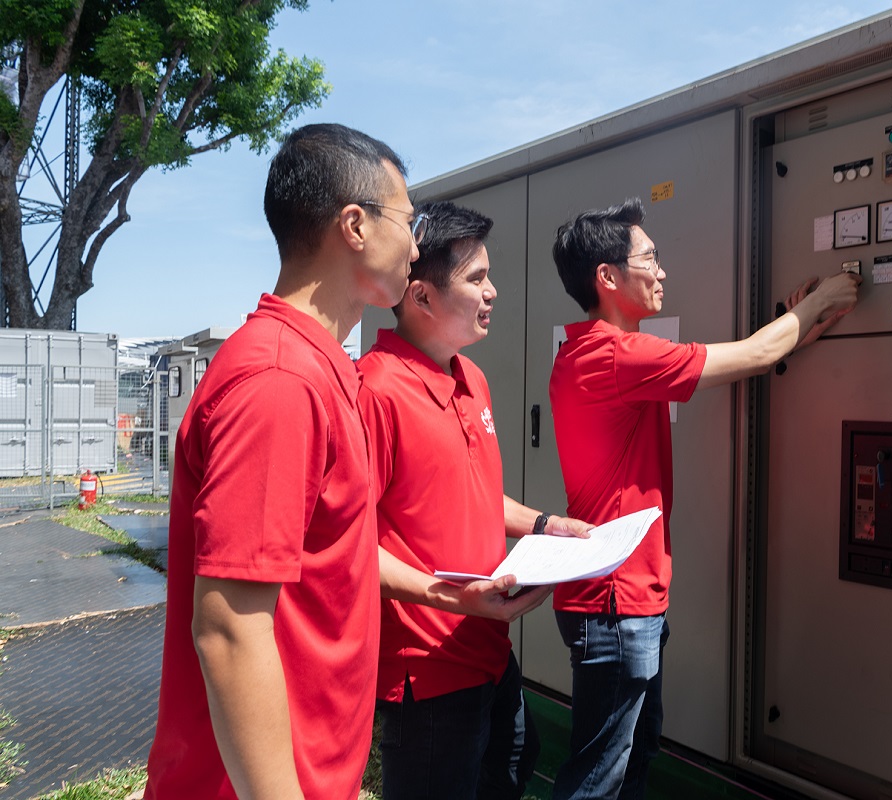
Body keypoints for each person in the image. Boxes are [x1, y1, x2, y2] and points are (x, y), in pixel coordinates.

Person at [547, 197, 861, 800]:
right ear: (608, 277)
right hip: (615, 602)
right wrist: (831, 293)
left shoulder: (592, 351)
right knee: (597, 781)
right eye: (651, 259)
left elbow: (758, 354)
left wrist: (800, 324)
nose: (662, 272)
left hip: (625, 597)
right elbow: (753, 355)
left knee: (631, 762)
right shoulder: (616, 355)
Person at [144, 123, 421, 800]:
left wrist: (449, 591)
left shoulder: (321, 370)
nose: (418, 245)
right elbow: (231, 628)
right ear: (354, 225)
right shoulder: (280, 381)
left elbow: (332, 553)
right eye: (409, 221)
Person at [357, 200, 594, 800]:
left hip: (487, 645)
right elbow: (350, 546)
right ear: (422, 297)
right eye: (476, 278)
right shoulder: (377, 390)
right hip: (430, 661)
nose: (492, 293)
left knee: (514, 762)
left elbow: (476, 494)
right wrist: (456, 597)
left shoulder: (472, 378)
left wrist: (545, 523)